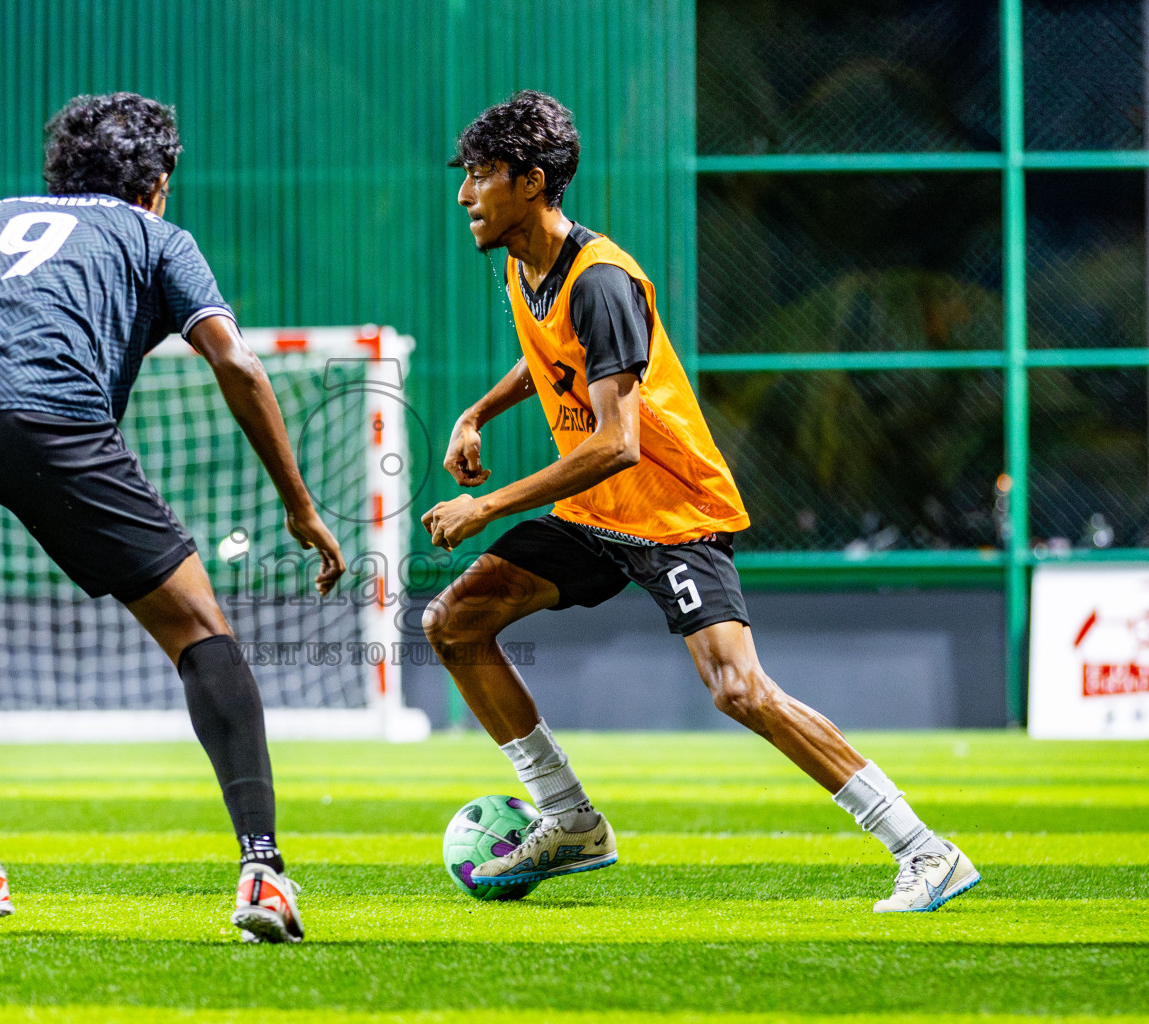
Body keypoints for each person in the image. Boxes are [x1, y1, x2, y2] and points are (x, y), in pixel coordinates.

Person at [420, 91, 980, 914]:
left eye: (479, 177)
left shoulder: (602, 282)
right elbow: (549, 358)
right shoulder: (522, 266)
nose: (466, 195)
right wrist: (477, 411)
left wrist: (489, 506)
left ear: (531, 181)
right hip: (595, 514)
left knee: (739, 691)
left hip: (672, 511)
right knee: (453, 623)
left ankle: (924, 849)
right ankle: (569, 819)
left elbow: (618, 442)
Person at [0, 91, 343, 941]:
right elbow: (237, 363)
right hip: (50, 417)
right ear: (158, 180)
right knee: (198, 629)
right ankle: (262, 872)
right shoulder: (156, 235)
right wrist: (300, 506)